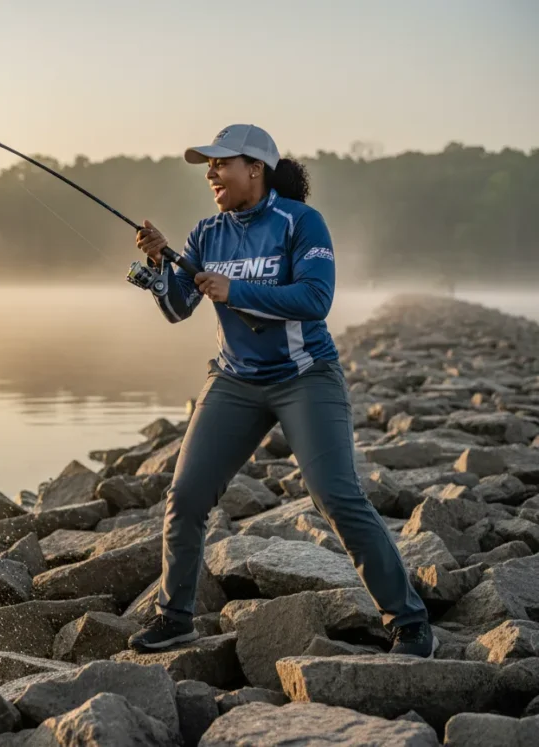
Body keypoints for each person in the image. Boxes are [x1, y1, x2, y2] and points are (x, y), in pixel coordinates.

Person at [128, 124, 435, 657]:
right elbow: (178, 309)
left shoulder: (302, 222)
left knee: (336, 496)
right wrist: (160, 265)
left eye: (220, 163)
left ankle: (408, 621)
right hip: (233, 380)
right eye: (207, 164)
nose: (210, 172)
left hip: (305, 376)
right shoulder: (205, 233)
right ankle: (174, 617)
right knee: (185, 496)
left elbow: (316, 299)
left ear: (256, 168)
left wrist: (235, 288)